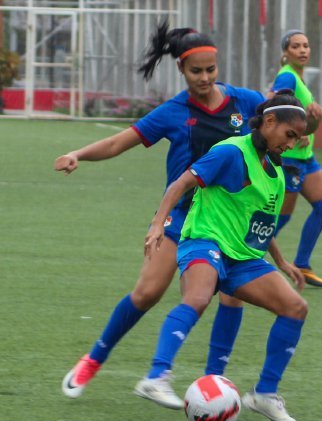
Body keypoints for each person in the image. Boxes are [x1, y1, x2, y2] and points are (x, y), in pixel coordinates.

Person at [55, 22, 268, 399]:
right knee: (147, 293)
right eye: (196, 71)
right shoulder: (173, 112)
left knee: (229, 295)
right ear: (181, 71)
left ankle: (212, 383)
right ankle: (94, 360)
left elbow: (277, 119)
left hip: (229, 219)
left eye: (210, 70)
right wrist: (78, 154)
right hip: (183, 216)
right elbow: (120, 142)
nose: (205, 78)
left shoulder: (245, 101)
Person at [136, 91, 308, 421]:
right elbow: (181, 183)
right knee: (198, 298)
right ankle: (156, 377)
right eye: (290, 135)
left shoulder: (274, 170)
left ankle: (264, 394)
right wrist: (159, 224)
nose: (292, 144)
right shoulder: (231, 152)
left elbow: (259, 223)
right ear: (269, 121)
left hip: (242, 258)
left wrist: (282, 261)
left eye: (298, 139)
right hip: (204, 242)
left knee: (296, 307)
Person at [269, 29, 322, 288]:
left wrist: (307, 122)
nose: (303, 50)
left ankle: (303, 264)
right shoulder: (287, 76)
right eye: (296, 46)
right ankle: (238, 256)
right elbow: (274, 103)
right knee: (281, 217)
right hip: (291, 158)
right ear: (286, 52)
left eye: (306, 45)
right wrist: (294, 132)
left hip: (306, 157)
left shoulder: (298, 77)